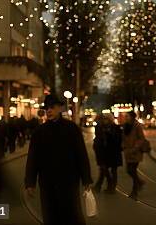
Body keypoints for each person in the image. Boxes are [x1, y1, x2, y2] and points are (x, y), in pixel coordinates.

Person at [25, 94, 92, 225]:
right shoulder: (39, 132)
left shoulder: (71, 128)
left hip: (69, 182)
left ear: (60, 108)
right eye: (47, 109)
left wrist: (86, 179)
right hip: (47, 183)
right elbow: (33, 158)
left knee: (72, 215)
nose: (49, 111)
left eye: (52, 107)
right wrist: (30, 182)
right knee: (51, 216)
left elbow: (81, 154)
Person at [93, 114, 123, 194]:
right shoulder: (102, 128)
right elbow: (99, 140)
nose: (104, 120)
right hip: (105, 153)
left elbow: (117, 140)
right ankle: (104, 186)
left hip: (114, 152)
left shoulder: (115, 128)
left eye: (106, 119)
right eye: (104, 119)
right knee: (104, 169)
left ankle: (111, 187)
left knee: (113, 170)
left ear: (110, 119)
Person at [122, 110, 147, 199]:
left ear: (132, 117)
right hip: (128, 152)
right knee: (129, 170)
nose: (126, 118)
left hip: (136, 152)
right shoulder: (125, 126)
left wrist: (135, 147)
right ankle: (139, 183)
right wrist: (123, 146)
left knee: (132, 170)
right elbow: (123, 138)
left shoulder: (137, 126)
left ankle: (134, 191)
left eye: (127, 116)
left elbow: (141, 138)